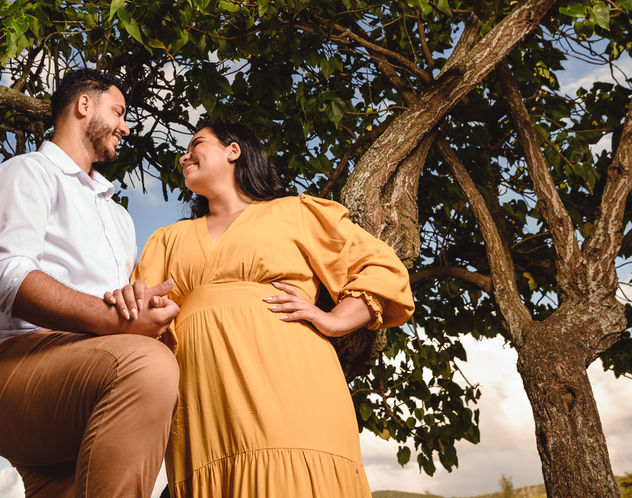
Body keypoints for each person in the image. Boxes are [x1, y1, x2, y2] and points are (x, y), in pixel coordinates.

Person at [108, 120, 414, 498]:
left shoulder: (295, 213)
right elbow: (140, 319)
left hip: (295, 391)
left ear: (233, 151)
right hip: (204, 414)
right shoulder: (167, 240)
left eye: (197, 144)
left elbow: (382, 268)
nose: (184, 155)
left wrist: (334, 320)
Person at [0, 69, 180, 498]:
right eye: (118, 112)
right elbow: (6, 278)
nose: (126, 126)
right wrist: (117, 324)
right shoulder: (26, 173)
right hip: (10, 367)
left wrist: (143, 311)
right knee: (146, 366)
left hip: (84, 390)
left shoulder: (119, 217)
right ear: (84, 105)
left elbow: (121, 304)